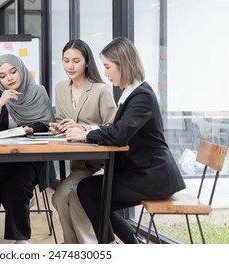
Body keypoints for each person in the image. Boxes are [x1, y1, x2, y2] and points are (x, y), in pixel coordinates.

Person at [65, 37, 186, 244]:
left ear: (123, 65)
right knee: (93, 196)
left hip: (153, 177)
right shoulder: (133, 93)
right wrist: (88, 129)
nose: (105, 73)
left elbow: (119, 135)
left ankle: (117, 245)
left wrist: (86, 135)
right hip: (145, 173)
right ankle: (131, 243)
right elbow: (117, 129)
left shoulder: (142, 96)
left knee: (88, 191)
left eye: (108, 67)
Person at [0, 54, 55, 244]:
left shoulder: (39, 92)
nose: (9, 78)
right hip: (1, 157)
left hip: (32, 157)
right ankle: (21, 203)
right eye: (3, 76)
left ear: (21, 70)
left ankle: (22, 241)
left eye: (13, 72)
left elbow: (47, 124)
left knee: (18, 185)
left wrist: (31, 129)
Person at [49, 39, 117, 244]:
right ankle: (71, 246)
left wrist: (84, 129)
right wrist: (58, 127)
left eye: (76, 61)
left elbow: (113, 127)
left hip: (102, 165)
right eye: (65, 60)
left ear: (87, 62)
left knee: (77, 197)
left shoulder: (101, 90)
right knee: (59, 196)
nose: (70, 66)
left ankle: (88, 247)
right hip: (80, 165)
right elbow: (62, 120)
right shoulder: (61, 88)